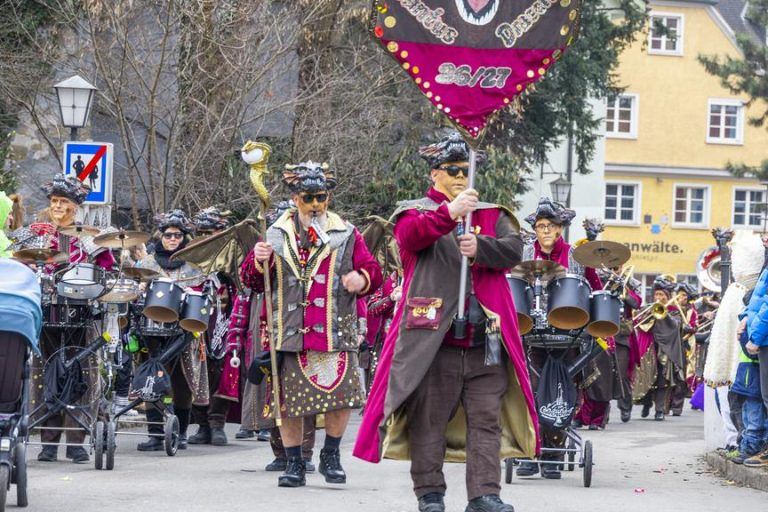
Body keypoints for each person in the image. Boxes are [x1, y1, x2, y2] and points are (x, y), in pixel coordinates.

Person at [354, 132, 538, 512]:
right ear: (435, 173)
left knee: (486, 421)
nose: (460, 177)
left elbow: (513, 250)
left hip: (484, 341)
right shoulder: (415, 211)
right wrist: (449, 214)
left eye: (466, 170)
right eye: (453, 169)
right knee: (429, 422)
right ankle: (430, 494)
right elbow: (412, 238)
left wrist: (481, 247)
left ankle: (485, 495)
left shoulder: (491, 213)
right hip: (432, 342)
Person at [244, 161, 382, 488]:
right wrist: (257, 260)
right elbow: (250, 281)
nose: (317, 204)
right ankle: (294, 463)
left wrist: (359, 278)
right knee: (288, 403)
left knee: (341, 397)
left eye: (322, 197)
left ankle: (330, 455)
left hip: (335, 330)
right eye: (309, 198)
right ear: (295, 199)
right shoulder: (275, 234)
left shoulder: (347, 232)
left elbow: (373, 272)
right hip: (288, 331)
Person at [32, 174, 115, 463]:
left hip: (82, 313)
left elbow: (109, 271)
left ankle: (77, 441)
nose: (57, 207)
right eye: (54, 201)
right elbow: (24, 262)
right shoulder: (39, 233)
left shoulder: (90, 236)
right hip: (48, 311)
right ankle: (48, 443)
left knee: (81, 375)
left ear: (75, 208)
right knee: (47, 375)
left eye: (63, 202)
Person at [516, 200, 601, 478]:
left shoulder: (577, 255)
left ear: (561, 228)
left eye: (550, 226)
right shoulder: (526, 252)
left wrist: (599, 325)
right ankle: (531, 453)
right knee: (533, 390)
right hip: (535, 334)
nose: (545, 231)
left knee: (562, 393)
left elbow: (594, 289)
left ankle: (553, 457)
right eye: (540, 226)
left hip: (569, 336)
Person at [134, 209, 206, 451]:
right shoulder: (147, 263)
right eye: (168, 235)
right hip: (151, 329)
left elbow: (202, 294)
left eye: (178, 235)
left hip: (183, 331)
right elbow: (136, 291)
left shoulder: (194, 265)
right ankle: (155, 434)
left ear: (184, 237)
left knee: (181, 382)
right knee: (151, 377)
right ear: (161, 236)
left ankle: (181, 432)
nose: (173, 239)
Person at [187, 207, 236, 446]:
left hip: (225, 316)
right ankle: (202, 425)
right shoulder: (190, 256)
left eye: (212, 233)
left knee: (223, 369)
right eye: (203, 232)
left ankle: (217, 423)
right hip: (197, 316)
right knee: (199, 368)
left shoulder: (232, 256)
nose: (207, 238)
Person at [633, 276, 685, 421]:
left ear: (667, 296)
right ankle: (646, 403)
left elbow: (676, 327)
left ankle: (659, 410)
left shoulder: (674, 310)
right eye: (656, 294)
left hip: (665, 350)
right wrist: (649, 313)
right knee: (647, 377)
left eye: (661, 295)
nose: (658, 297)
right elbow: (637, 321)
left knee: (662, 381)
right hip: (649, 348)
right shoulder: (648, 308)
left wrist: (664, 314)